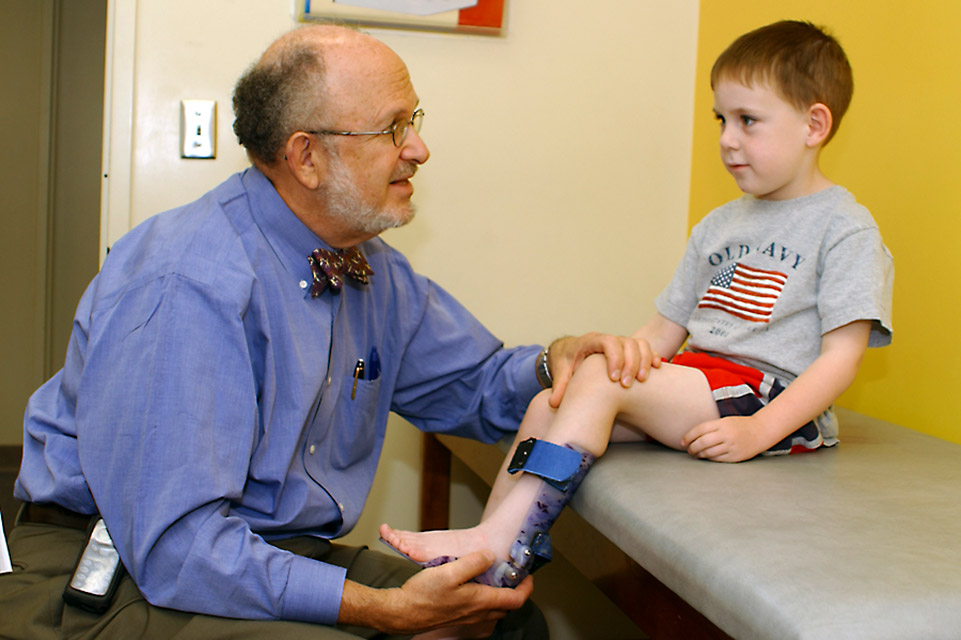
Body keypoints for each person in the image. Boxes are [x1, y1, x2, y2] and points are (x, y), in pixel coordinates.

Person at [0, 24, 655, 639]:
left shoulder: (374, 271)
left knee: (505, 623)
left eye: (414, 121)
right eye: (393, 128)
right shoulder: (187, 278)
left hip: (267, 548)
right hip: (115, 573)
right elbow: (177, 548)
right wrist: (384, 611)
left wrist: (556, 362)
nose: (419, 149)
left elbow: (473, 386)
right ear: (306, 157)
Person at [381, 19, 894, 589]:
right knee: (554, 400)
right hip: (700, 383)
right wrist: (610, 369)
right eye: (722, 120)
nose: (727, 138)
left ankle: (509, 539)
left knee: (597, 378)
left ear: (814, 125)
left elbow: (840, 358)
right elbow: (663, 331)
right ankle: (488, 550)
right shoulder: (719, 225)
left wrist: (762, 430)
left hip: (765, 397)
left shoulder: (844, 227)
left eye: (748, 121)